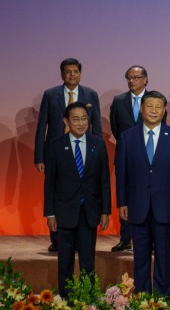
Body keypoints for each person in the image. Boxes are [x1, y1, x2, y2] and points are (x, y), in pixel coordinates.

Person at [114, 91, 170, 295]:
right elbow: (121, 173)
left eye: (158, 107)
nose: (154, 110)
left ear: (164, 110)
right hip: (137, 207)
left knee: (165, 256)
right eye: (149, 106)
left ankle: (162, 298)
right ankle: (142, 297)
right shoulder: (127, 137)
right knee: (140, 256)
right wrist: (122, 202)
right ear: (141, 109)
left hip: (167, 206)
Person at [43, 102, 110, 298]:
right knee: (65, 261)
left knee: (88, 260)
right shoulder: (55, 145)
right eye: (75, 119)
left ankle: (87, 298)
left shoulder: (98, 144)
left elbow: (104, 180)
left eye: (84, 119)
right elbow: (49, 184)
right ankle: (66, 299)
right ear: (66, 121)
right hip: (64, 212)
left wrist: (106, 211)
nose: (81, 123)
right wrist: (50, 213)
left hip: (89, 212)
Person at [35, 58, 102, 252]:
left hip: (83, 153)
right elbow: (42, 127)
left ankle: (80, 238)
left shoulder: (90, 94)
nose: (72, 74)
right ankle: (57, 239)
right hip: (56, 153)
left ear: (80, 73)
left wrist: (96, 150)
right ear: (62, 74)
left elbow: (95, 125)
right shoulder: (50, 95)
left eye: (75, 71)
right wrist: (39, 156)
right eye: (68, 71)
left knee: (81, 191)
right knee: (56, 192)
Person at [109, 65, 152, 253]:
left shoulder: (154, 100)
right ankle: (125, 238)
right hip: (125, 156)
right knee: (124, 196)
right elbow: (115, 128)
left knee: (149, 196)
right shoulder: (118, 101)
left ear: (145, 80)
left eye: (136, 77)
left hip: (150, 157)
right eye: (129, 77)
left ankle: (149, 239)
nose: (132, 81)